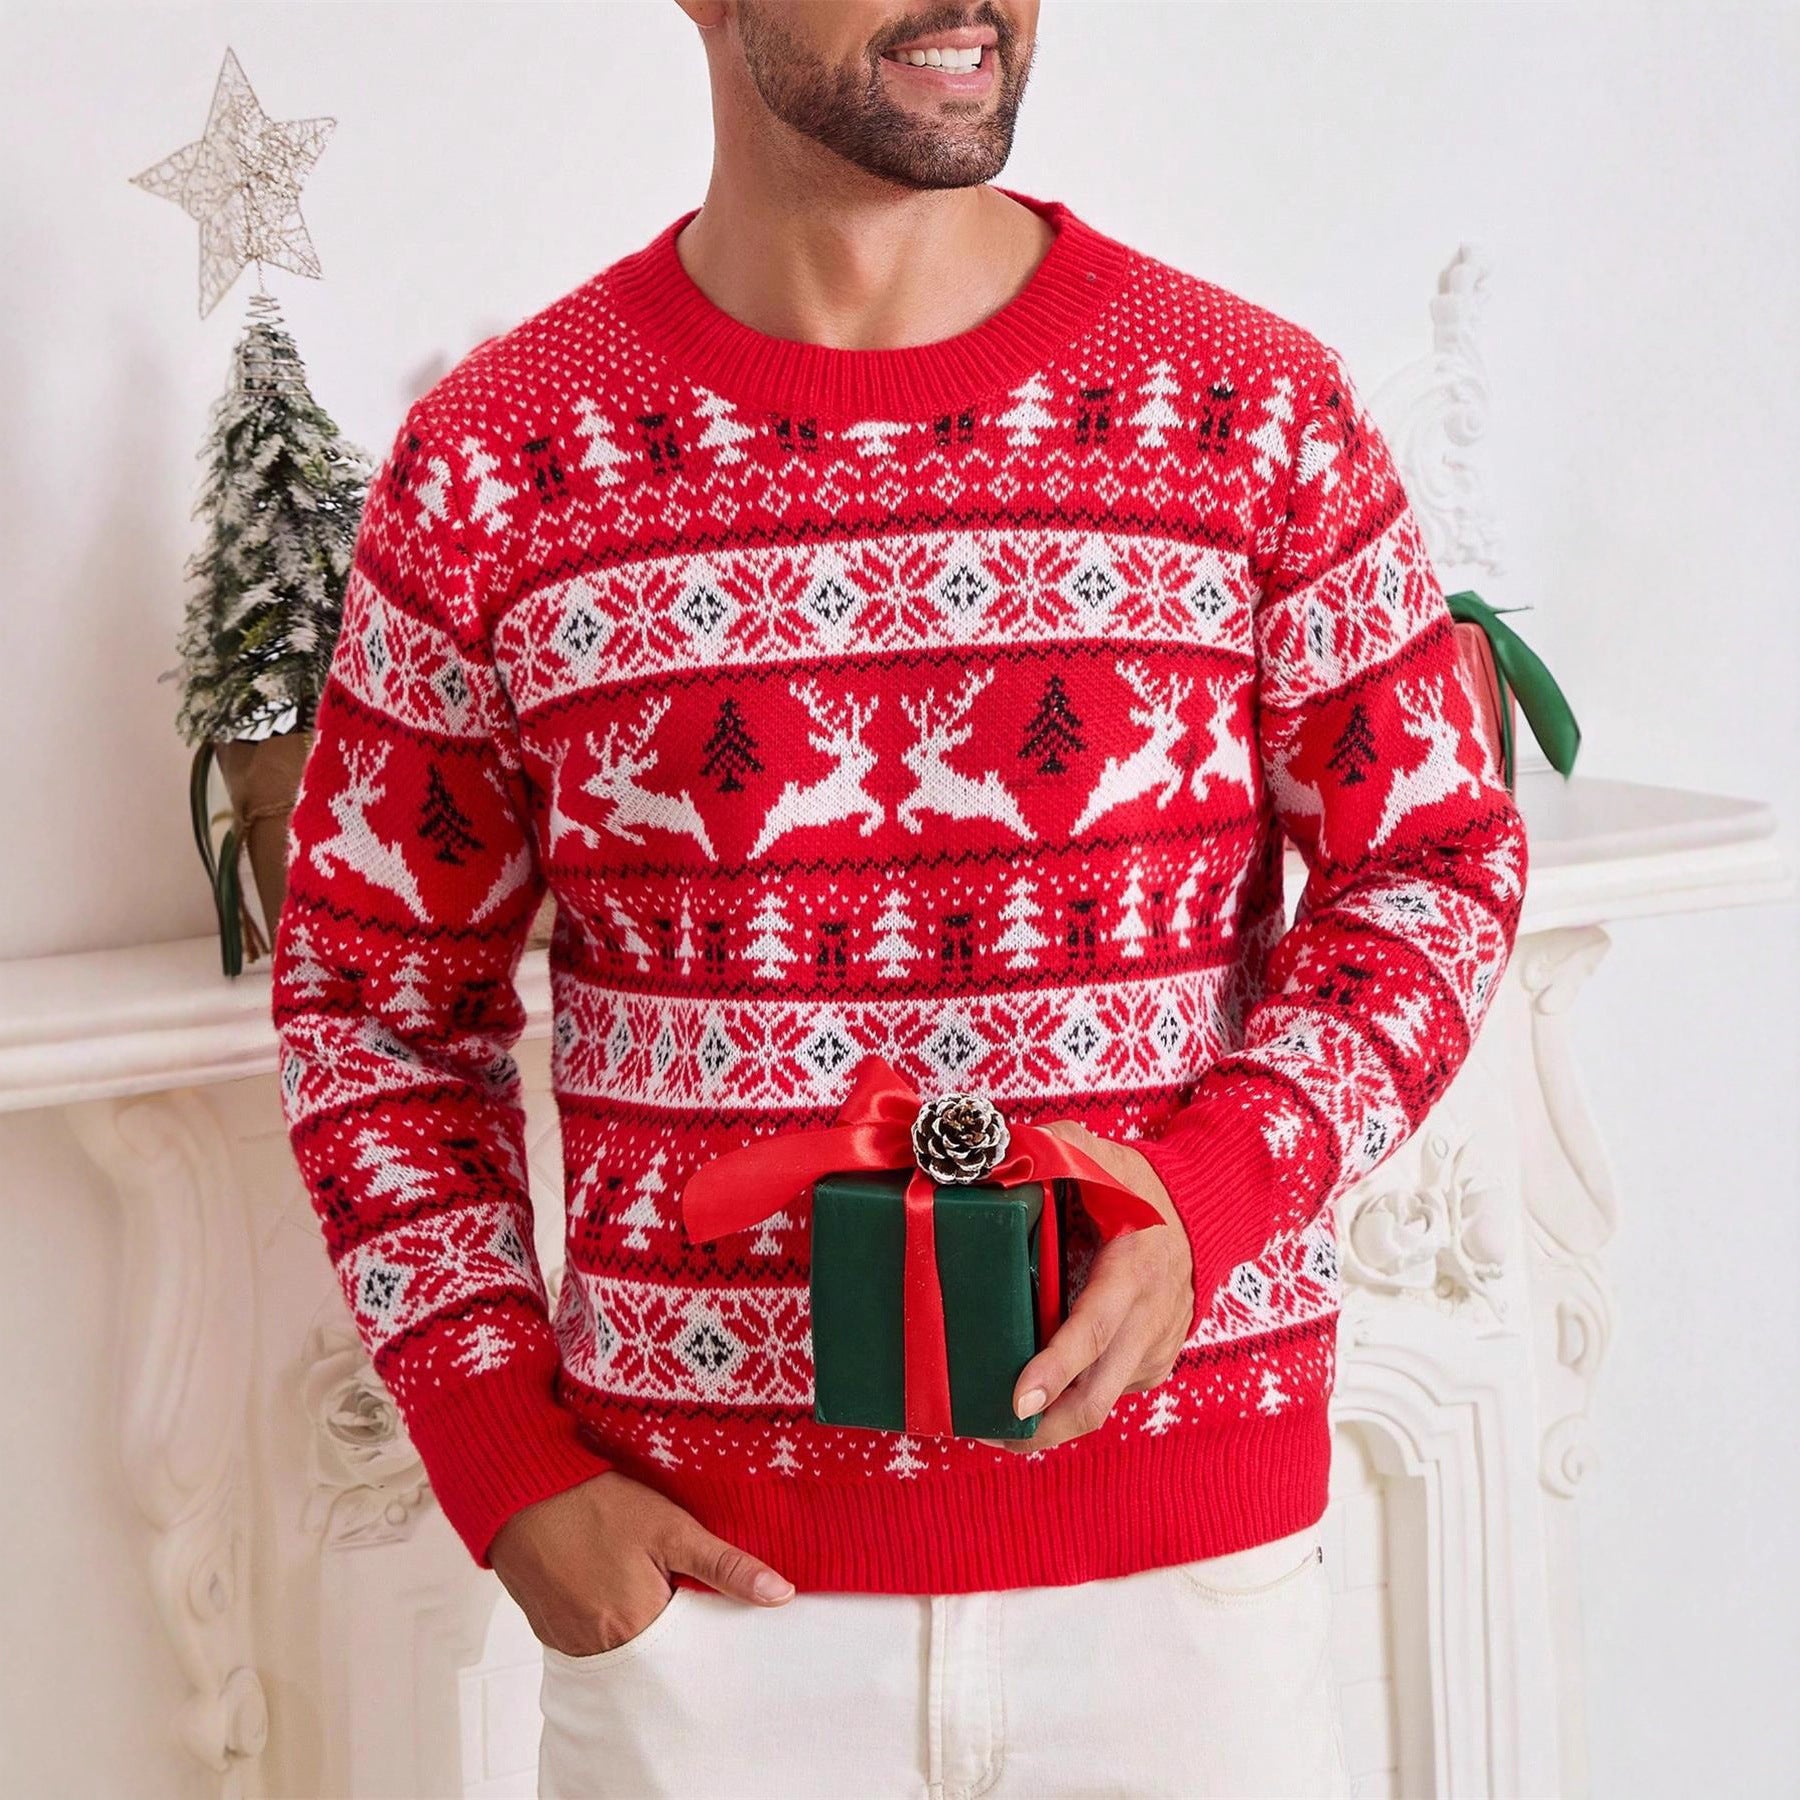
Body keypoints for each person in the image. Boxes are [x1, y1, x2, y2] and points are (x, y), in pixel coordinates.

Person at [271, 2, 1529, 1794]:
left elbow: (1436, 862)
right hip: (707, 1621)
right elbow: (375, 1000)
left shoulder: (1251, 413)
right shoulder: (495, 468)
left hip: (1184, 1601)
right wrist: (504, 1463)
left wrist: (1216, 1184)